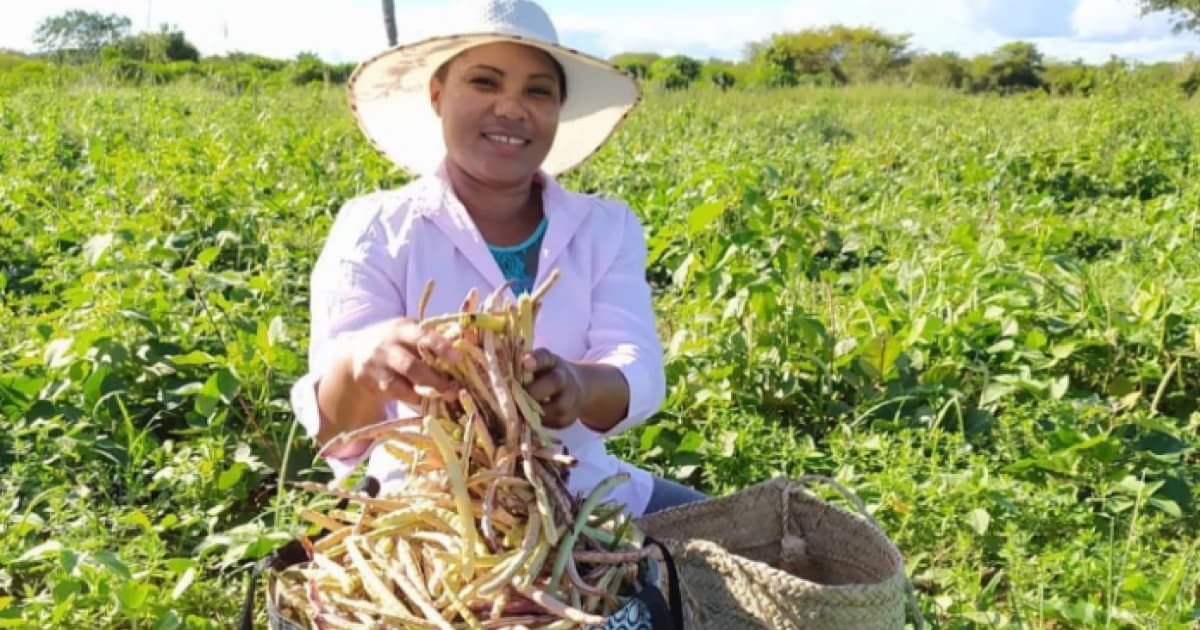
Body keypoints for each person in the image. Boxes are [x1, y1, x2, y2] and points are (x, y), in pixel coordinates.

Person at [289, 0, 706, 517]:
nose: (511, 108)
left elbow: (636, 366)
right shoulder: (375, 227)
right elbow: (335, 429)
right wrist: (362, 362)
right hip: (432, 512)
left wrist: (578, 385)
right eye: (485, 82)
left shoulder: (605, 226)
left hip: (585, 491)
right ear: (438, 96)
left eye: (538, 91)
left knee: (754, 553)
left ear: (558, 110)